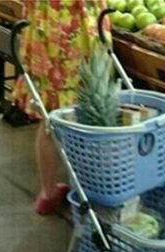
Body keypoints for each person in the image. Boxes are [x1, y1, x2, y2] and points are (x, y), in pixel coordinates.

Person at [12, 0, 109, 215]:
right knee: (87, 110)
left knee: (50, 116)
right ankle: (90, 194)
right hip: (76, 28)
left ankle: (47, 193)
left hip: (44, 28)